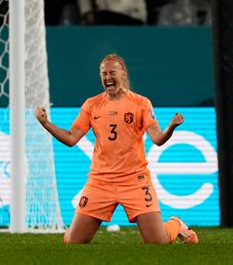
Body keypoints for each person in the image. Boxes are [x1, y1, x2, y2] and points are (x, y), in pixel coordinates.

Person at [35, 54, 198, 244]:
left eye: (112, 72)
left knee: (158, 242)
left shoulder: (141, 103)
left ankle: (175, 224)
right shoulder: (92, 104)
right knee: (73, 243)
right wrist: (45, 123)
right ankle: (74, 230)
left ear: (123, 74)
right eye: (103, 73)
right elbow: (71, 139)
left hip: (134, 180)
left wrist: (170, 127)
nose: (107, 77)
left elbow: (158, 139)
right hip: (100, 181)